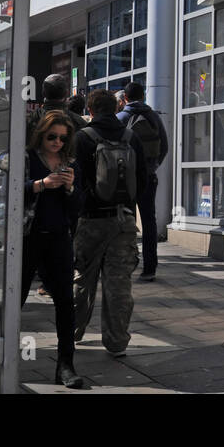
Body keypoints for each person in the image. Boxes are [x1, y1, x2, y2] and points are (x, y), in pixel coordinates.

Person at [0, 111, 84, 388]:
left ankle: (66, 365)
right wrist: (42, 184)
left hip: (59, 239)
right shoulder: (26, 158)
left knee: (65, 303)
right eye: (52, 137)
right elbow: (9, 191)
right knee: (15, 297)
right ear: (41, 134)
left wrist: (70, 188)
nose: (58, 143)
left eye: (63, 138)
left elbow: (78, 207)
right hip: (27, 237)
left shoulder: (69, 162)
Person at [72, 89, 145, 357]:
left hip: (90, 220)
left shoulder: (83, 138)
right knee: (119, 285)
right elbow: (143, 179)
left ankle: (72, 332)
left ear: (90, 111)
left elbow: (75, 182)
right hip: (123, 221)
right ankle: (116, 342)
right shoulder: (130, 137)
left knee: (81, 279)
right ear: (115, 109)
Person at [117, 80, 168, 282]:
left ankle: (127, 263)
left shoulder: (120, 117)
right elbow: (164, 147)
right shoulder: (153, 116)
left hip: (125, 179)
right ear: (144, 96)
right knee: (149, 221)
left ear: (125, 99)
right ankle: (150, 268)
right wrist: (152, 166)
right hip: (148, 176)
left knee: (124, 221)